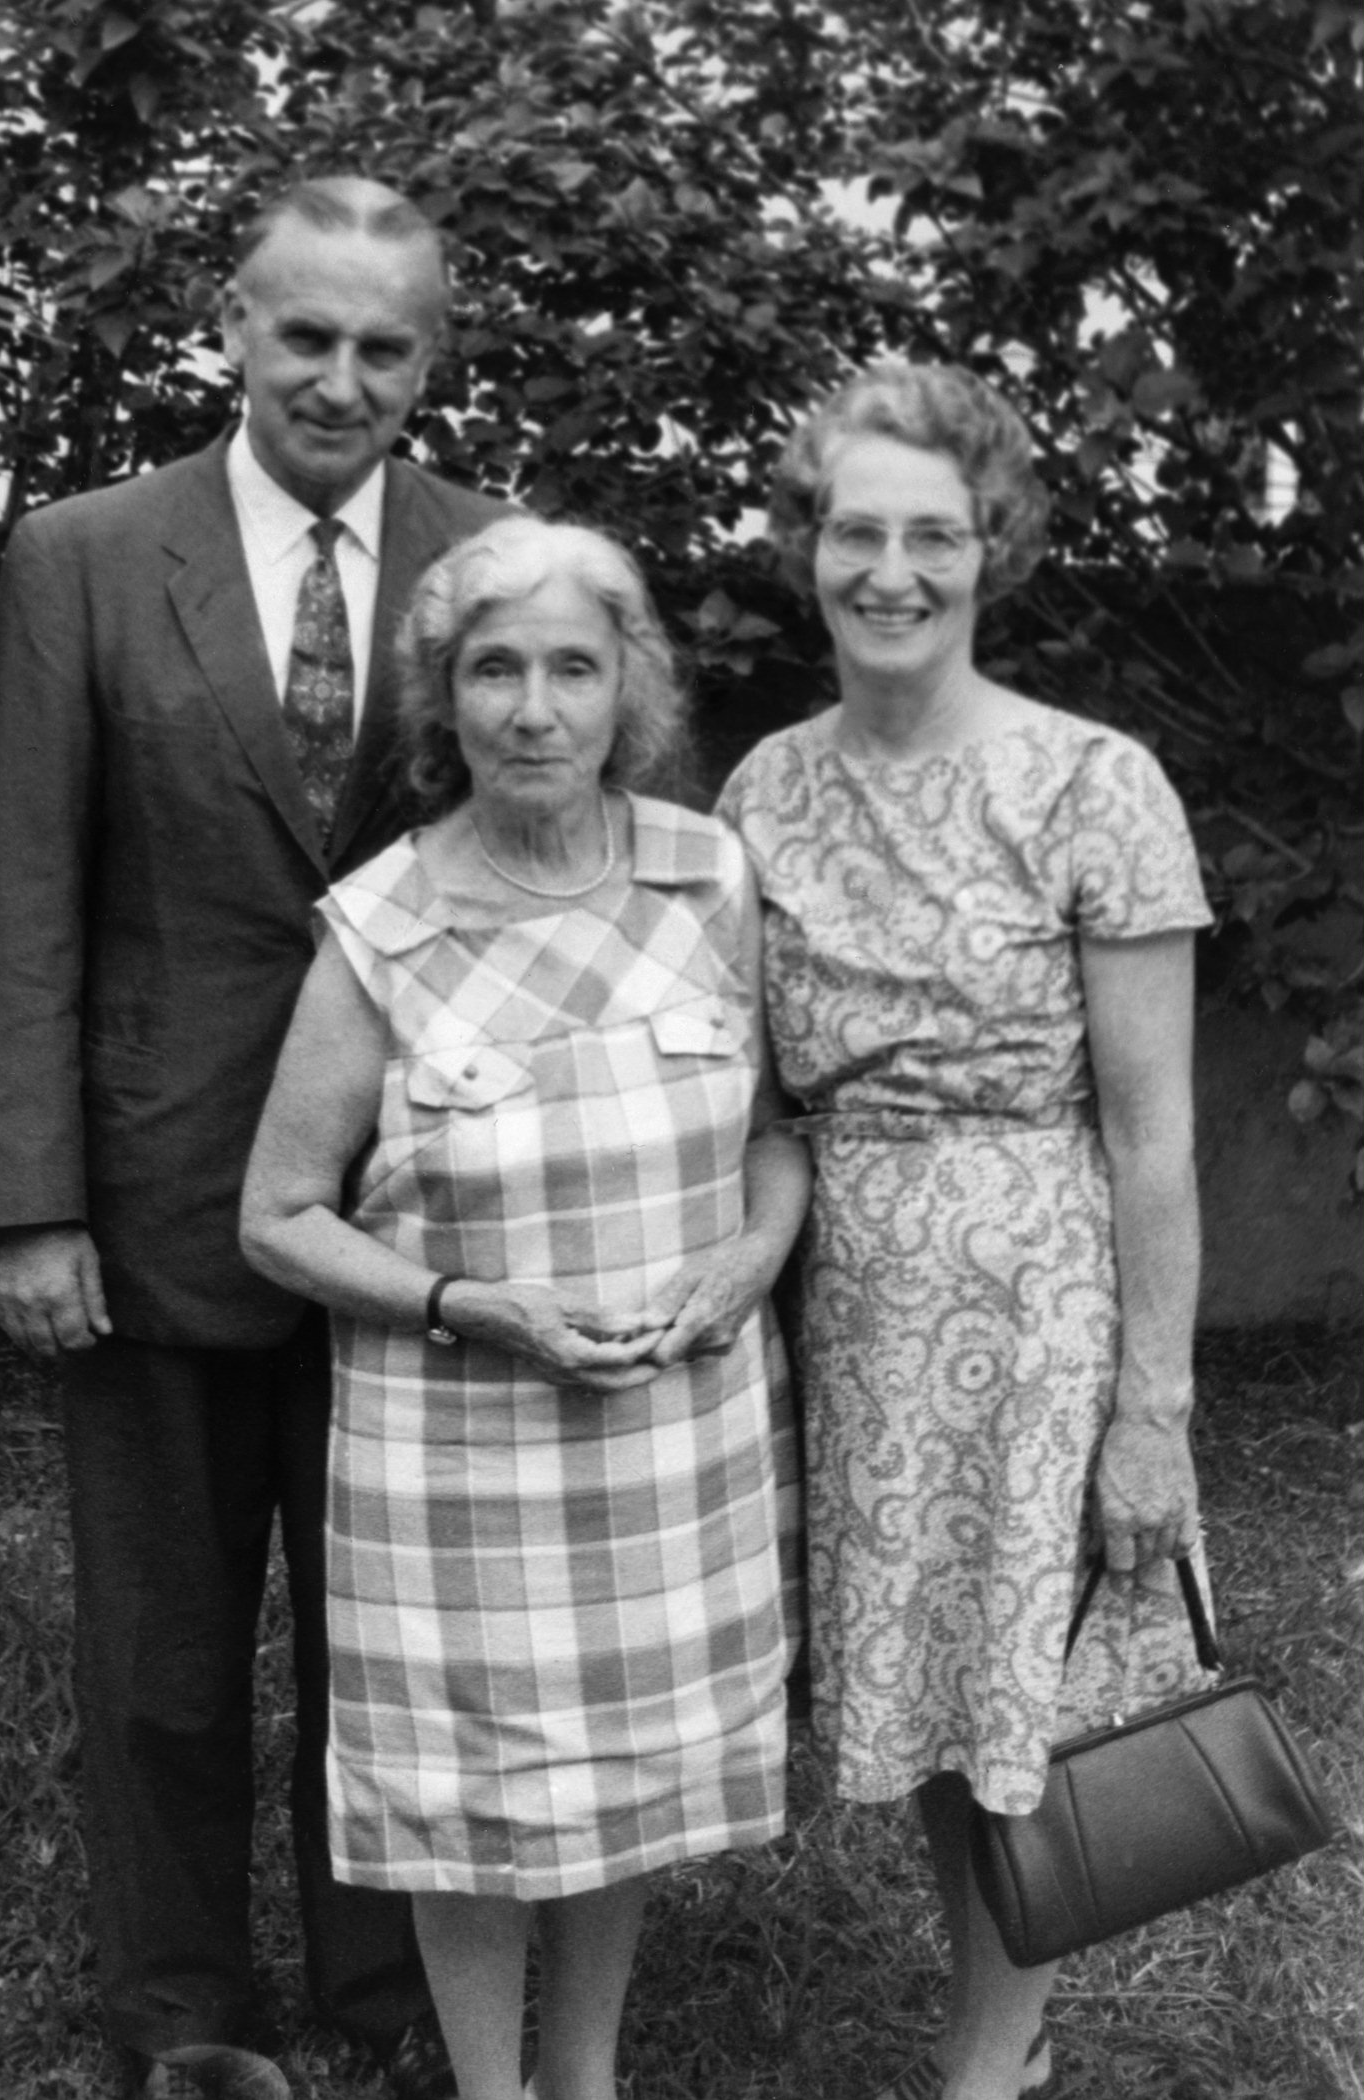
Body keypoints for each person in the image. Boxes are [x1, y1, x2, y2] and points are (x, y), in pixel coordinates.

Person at [0, 175, 510, 2099]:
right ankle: (182, 2010)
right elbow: (27, 892)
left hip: (412, 1213)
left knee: (399, 1644)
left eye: (385, 347)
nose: (341, 380)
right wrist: (27, 1205)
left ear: (428, 361)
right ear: (234, 329)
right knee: (163, 1657)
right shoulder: (86, 557)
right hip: (157, 1193)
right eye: (307, 336)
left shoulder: (492, 563)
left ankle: (390, 1993)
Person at [239, 516, 809, 2100]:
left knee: (625, 1779)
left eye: (573, 667)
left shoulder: (707, 878)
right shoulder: (384, 925)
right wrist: (464, 1304)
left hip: (670, 1435)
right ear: (445, 699)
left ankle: (586, 2077)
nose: (536, 709)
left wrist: (751, 1257)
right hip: (461, 1451)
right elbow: (275, 1217)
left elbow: (775, 1135)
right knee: (472, 1801)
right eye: (496, 670)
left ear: (630, 689)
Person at [716, 362, 1212, 2100]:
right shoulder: (761, 793)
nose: (892, 572)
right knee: (933, 1691)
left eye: (934, 535)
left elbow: (1151, 1134)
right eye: (855, 532)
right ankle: (1005, 2015)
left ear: (992, 548)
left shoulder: (1092, 784)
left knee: (1023, 1688)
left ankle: (989, 2059)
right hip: (848, 1301)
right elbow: (751, 1098)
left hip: (1034, 1295)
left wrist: (1151, 1404)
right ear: (807, 548)